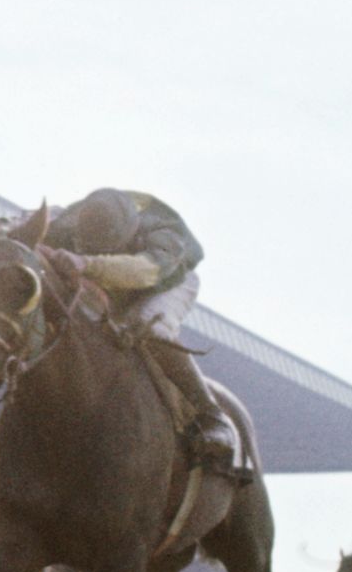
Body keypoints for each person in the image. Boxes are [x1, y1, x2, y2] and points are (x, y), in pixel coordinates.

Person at [45, 188, 234, 464]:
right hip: (104, 282)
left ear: (130, 233)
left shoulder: (165, 233)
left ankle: (211, 415)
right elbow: (11, 229)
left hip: (165, 281)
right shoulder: (68, 221)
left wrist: (86, 262)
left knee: (149, 327)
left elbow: (146, 272)